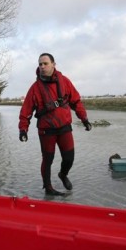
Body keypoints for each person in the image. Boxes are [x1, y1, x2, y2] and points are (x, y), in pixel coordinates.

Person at [18, 53, 92, 196]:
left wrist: (84, 119)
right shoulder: (35, 88)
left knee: (69, 158)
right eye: (40, 64)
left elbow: (76, 101)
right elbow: (26, 110)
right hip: (46, 131)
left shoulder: (65, 81)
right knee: (48, 160)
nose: (42, 67)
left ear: (53, 64)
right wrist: (23, 129)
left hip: (64, 127)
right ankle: (48, 188)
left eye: (45, 63)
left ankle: (63, 175)